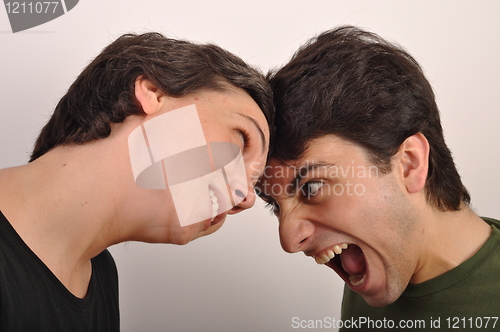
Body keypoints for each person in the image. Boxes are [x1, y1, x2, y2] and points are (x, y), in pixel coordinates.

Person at [0, 32, 273, 331]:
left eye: (253, 182)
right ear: (152, 92)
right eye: (242, 139)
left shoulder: (101, 276)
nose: (245, 198)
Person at [258, 26, 499, 331]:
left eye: (312, 187)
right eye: (275, 206)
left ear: (410, 163)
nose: (289, 240)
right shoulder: (380, 260)